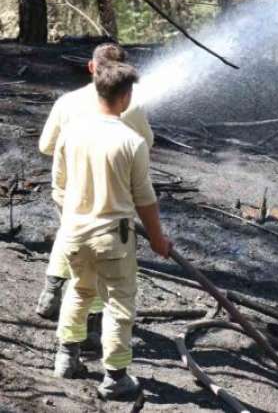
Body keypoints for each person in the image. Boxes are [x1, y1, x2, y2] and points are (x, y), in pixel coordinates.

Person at [52, 61, 172, 400]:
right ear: (126, 96)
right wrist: (159, 240)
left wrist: (73, 217)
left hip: (73, 232)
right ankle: (116, 376)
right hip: (112, 239)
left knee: (79, 290)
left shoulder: (71, 132)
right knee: (119, 304)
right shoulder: (131, 142)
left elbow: (57, 187)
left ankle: (66, 358)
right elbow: (145, 200)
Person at [36, 43, 154, 321]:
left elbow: (45, 146)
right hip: (108, 193)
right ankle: (91, 321)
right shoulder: (131, 106)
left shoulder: (67, 102)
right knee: (101, 257)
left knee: (69, 231)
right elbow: (146, 144)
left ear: (91, 67)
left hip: (68, 188)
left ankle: (51, 291)